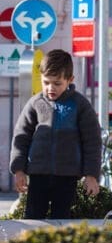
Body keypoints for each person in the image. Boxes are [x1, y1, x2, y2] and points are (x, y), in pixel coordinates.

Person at [9, 49, 102, 220]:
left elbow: (92, 142)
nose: (50, 88)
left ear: (70, 80)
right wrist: (19, 170)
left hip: (67, 176)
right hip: (38, 174)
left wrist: (91, 175)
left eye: (57, 83)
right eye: (46, 82)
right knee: (33, 219)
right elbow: (21, 137)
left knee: (62, 219)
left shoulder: (80, 105)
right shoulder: (35, 103)